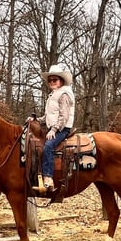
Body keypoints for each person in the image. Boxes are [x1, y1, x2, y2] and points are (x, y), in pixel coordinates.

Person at [35, 64, 75, 193]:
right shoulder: (54, 94)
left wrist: (54, 130)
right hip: (54, 127)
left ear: (61, 81)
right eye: (50, 80)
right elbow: (48, 116)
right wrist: (36, 120)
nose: (52, 82)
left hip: (62, 129)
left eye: (55, 80)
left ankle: (48, 178)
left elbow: (64, 116)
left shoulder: (64, 94)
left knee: (48, 146)